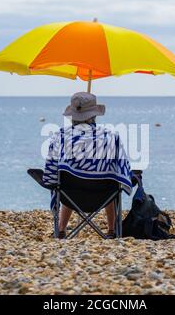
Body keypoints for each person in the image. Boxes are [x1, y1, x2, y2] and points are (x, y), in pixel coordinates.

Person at [43, 92, 132, 239]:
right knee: (112, 177)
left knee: (66, 179)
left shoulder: (61, 136)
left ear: (73, 115)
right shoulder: (111, 137)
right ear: (94, 115)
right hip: (104, 195)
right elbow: (122, 168)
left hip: (70, 195)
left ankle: (60, 230)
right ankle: (112, 230)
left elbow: (51, 172)